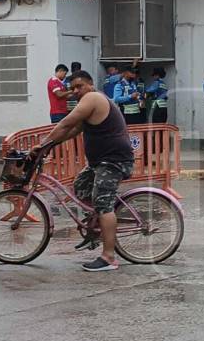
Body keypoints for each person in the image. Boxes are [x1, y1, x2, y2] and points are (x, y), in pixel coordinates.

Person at [30, 70, 134, 272]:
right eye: (73, 88)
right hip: (100, 162)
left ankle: (109, 257)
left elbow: (65, 122)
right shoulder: (88, 104)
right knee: (80, 185)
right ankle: (94, 228)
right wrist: (48, 146)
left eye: (79, 86)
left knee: (103, 203)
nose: (76, 91)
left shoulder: (93, 98)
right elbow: (71, 131)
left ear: (90, 85)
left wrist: (42, 143)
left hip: (113, 161)